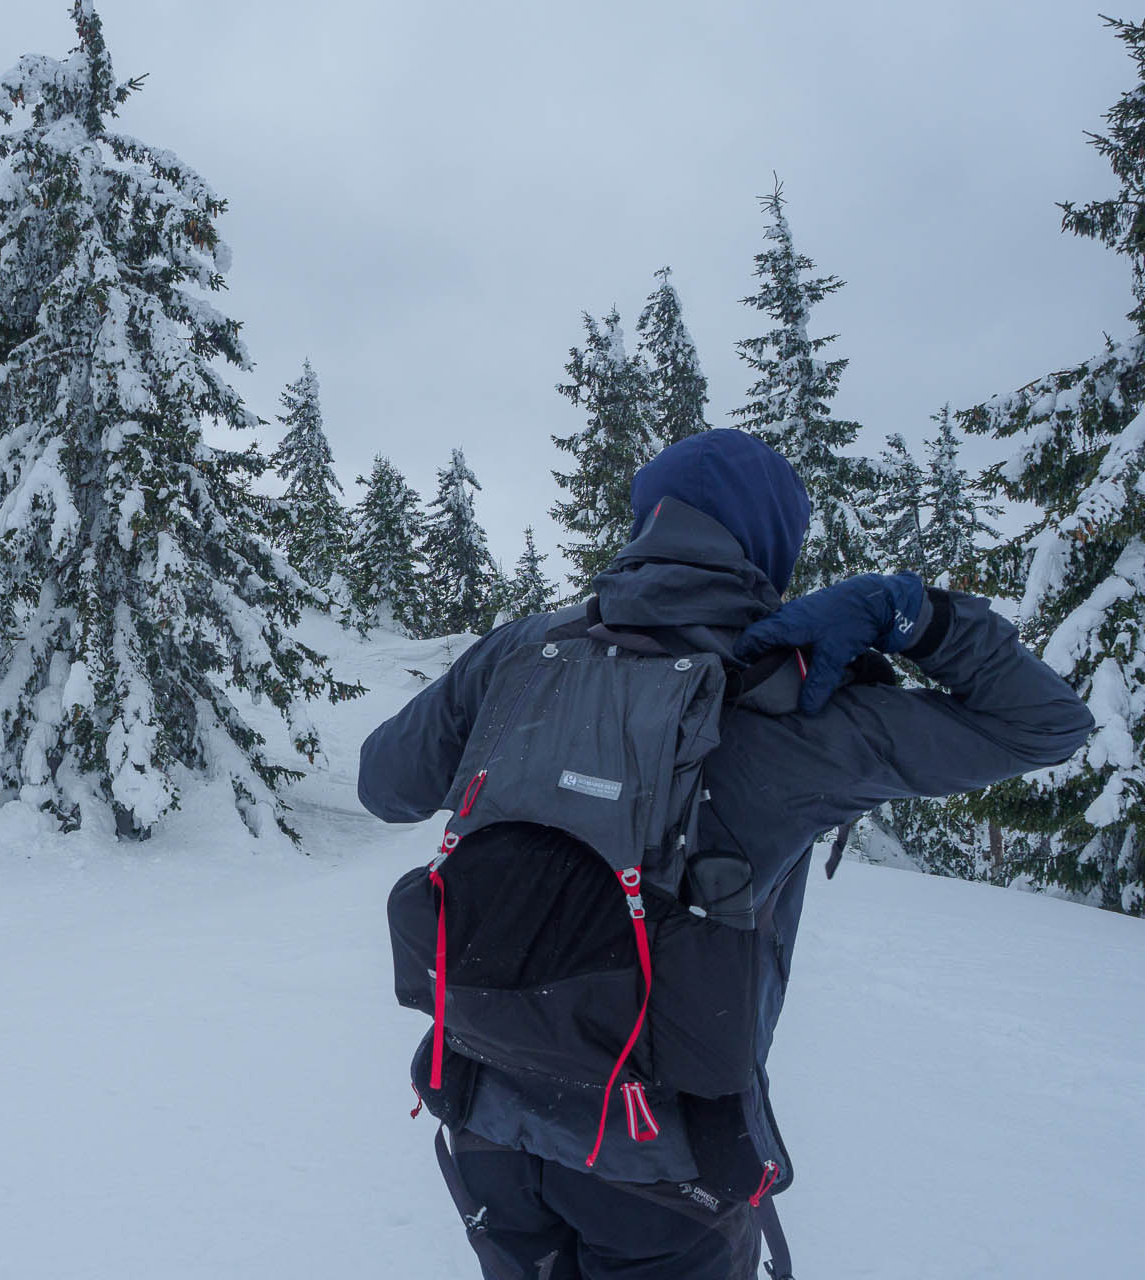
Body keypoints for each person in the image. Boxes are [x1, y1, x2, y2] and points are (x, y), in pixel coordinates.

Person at [358, 428, 1093, 1280]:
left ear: (647, 523)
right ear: (771, 546)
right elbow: (1045, 725)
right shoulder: (796, 705)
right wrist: (912, 615)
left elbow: (386, 784)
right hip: (662, 1167)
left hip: (483, 1114)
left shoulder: (524, 653)